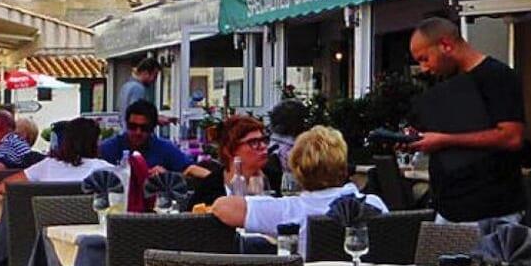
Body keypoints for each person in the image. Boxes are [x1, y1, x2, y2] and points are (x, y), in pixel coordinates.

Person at [407, 14, 527, 226]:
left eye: (425, 58)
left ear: (446, 45)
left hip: (491, 209)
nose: (424, 68)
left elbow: (512, 137)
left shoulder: (498, 77)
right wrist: (416, 139)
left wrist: (444, 140)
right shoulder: (445, 83)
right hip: (448, 207)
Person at [209, 126, 385, 234]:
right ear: (343, 166)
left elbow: (222, 207)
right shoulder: (373, 204)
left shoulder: (289, 211)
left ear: (296, 169)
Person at [184, 115, 271, 208]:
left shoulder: (274, 178)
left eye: (264, 140)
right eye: (254, 142)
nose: (263, 146)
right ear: (229, 151)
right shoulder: (208, 192)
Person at [97, 99, 196, 172]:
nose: (138, 132)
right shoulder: (109, 148)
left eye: (144, 128)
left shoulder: (164, 148)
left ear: (153, 128)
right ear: (126, 124)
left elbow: (189, 169)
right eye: (133, 126)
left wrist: (167, 176)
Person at [18, 117, 104, 183]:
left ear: (66, 141)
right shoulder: (104, 169)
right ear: (96, 142)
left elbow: (10, 184)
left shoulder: (46, 166)